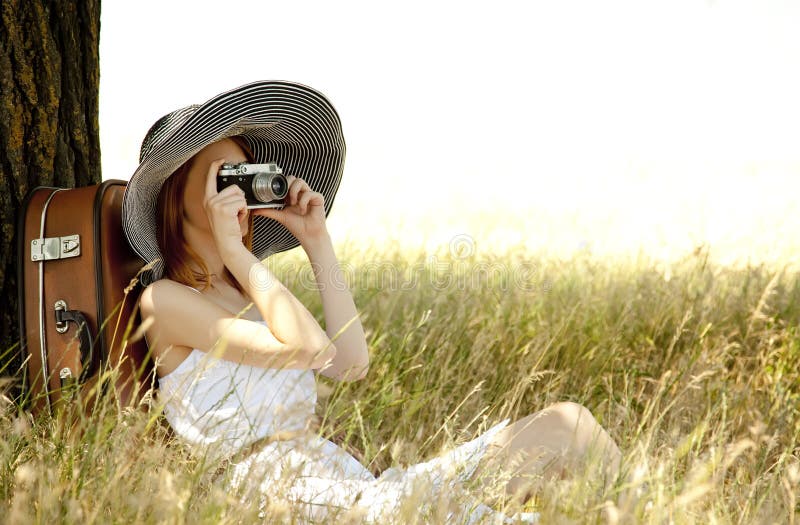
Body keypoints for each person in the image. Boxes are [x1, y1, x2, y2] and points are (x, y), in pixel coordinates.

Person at [122, 80, 622, 523]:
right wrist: (234, 249)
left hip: (346, 483)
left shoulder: (248, 288)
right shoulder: (164, 300)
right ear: (175, 193)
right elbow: (307, 350)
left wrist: (317, 239)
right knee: (446, 511)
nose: (241, 183)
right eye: (221, 174)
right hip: (280, 497)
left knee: (569, 424)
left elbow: (350, 363)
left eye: (244, 172)